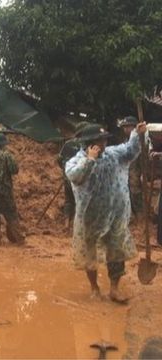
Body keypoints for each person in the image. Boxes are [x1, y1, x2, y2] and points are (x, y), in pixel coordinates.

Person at [65, 122, 146, 304]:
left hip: (115, 214)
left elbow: (130, 150)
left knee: (116, 251)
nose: (104, 144)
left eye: (104, 140)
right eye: (100, 141)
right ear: (89, 143)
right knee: (89, 254)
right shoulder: (75, 161)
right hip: (90, 218)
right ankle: (94, 287)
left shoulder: (113, 154)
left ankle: (115, 289)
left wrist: (137, 133)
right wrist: (89, 160)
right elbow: (76, 177)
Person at [58, 121, 93, 230]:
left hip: (68, 177)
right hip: (82, 179)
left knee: (69, 200)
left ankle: (66, 224)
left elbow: (59, 159)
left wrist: (65, 171)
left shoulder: (67, 144)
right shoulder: (88, 146)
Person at [117, 115, 145, 223]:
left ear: (133, 127)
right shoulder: (126, 140)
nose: (125, 129)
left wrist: (143, 172)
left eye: (127, 127)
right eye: (124, 127)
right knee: (126, 192)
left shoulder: (140, 139)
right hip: (127, 170)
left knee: (135, 191)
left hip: (136, 170)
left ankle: (140, 215)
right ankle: (131, 215)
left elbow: (143, 158)